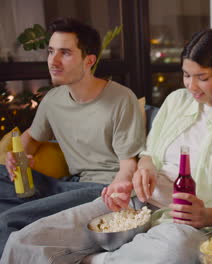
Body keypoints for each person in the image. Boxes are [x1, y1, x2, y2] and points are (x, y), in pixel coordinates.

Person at [1, 28, 212, 264]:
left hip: (185, 225)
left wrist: (209, 216)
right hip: (133, 206)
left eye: (202, 77)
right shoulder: (177, 100)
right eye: (186, 75)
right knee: (25, 240)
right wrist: (142, 170)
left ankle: (92, 259)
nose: (190, 86)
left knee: (175, 250)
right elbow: (148, 155)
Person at [0, 18, 145, 254]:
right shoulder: (53, 100)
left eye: (65, 53)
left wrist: (117, 192)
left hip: (100, 189)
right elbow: (31, 138)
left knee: (9, 219)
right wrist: (18, 157)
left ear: (89, 61)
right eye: (51, 51)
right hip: (66, 186)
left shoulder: (121, 98)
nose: (53, 61)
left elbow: (129, 164)